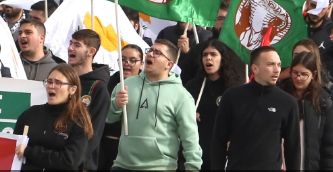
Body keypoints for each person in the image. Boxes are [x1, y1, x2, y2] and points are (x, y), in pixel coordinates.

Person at [108, 40, 202, 171]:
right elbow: (109, 119)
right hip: (122, 165)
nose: (150, 54)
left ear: (169, 64)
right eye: (150, 50)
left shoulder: (181, 96)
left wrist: (193, 167)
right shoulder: (125, 85)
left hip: (160, 167)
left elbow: (189, 136)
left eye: (157, 53)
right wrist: (116, 105)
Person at [211, 46, 300, 170]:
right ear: (255, 68)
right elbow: (219, 140)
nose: (276, 70)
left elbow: (293, 148)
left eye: (279, 65)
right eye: (270, 64)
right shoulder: (232, 96)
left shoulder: (287, 102)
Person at [14, 64, 94, 170]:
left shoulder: (78, 120)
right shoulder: (31, 114)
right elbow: (15, 149)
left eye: (58, 83)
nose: (51, 86)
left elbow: (69, 161)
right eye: (49, 82)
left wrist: (29, 151)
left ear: (72, 89)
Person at [185, 40, 244, 172]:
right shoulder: (193, 86)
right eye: (205, 55)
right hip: (197, 152)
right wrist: (188, 115)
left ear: (223, 59)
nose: (208, 58)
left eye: (213, 54)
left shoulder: (234, 88)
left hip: (224, 153)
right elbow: (180, 114)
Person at [279, 51, 333, 170]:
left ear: (314, 74)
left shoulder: (323, 102)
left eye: (304, 74)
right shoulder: (282, 97)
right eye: (295, 73)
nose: (298, 78)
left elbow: (330, 146)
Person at [67, 29, 110, 171]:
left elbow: (94, 132)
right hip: (57, 159)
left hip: (80, 164)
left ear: (91, 51)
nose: (70, 48)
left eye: (77, 45)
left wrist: (77, 160)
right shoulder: (62, 79)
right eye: (70, 43)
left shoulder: (99, 87)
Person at [98, 44, 144, 170]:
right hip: (106, 145)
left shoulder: (147, 85)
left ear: (141, 64)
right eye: (123, 59)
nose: (127, 63)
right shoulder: (107, 82)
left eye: (132, 60)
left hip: (134, 149)